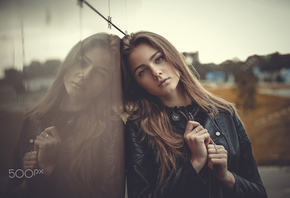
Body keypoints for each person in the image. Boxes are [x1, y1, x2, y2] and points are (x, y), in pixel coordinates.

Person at [121, 31, 267, 198]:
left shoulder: (225, 113)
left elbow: (259, 192)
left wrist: (226, 177)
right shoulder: (139, 127)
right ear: (137, 84)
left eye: (158, 59)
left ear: (173, 56)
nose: (155, 73)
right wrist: (195, 164)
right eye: (142, 72)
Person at [5, 33, 125, 198]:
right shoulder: (33, 119)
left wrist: (51, 168)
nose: (85, 75)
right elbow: (12, 185)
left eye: (100, 73)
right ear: (70, 62)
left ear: (107, 87)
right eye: (83, 63)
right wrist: (30, 176)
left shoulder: (111, 128)